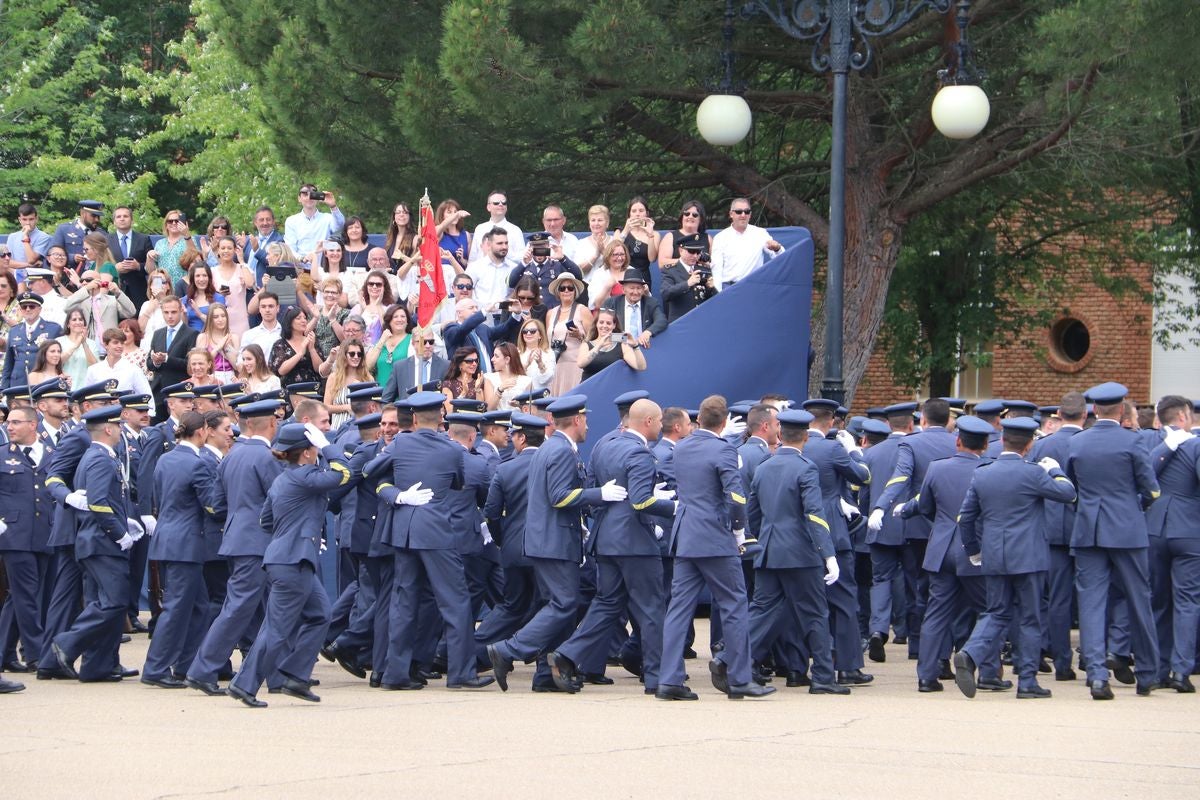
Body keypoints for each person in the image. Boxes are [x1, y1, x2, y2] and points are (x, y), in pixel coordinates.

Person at [487, 394, 627, 692]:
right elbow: (560, 496)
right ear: (577, 420)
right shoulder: (561, 451)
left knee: (557, 606)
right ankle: (509, 650)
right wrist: (599, 494)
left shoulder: (553, 448)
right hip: (554, 541)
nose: (588, 424)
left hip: (547, 540)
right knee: (564, 604)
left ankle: (545, 676)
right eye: (585, 419)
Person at [549, 399, 677, 694]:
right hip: (635, 543)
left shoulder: (603, 445)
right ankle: (659, 677)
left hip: (606, 539)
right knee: (652, 607)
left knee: (606, 604)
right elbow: (642, 501)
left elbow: (595, 493)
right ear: (647, 422)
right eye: (659, 421)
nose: (661, 426)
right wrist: (676, 508)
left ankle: (568, 654)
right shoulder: (641, 454)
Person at [226, 421, 351, 707]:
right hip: (292, 560)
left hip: (289, 557)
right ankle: (245, 684)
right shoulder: (306, 476)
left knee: (320, 614)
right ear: (307, 452)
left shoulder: (284, 478)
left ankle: (295, 674)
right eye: (314, 449)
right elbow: (344, 473)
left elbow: (265, 521)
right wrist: (329, 447)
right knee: (277, 628)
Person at [953, 417, 1078, 700]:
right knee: (1031, 618)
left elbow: (966, 517)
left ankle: (970, 653)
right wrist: (1056, 470)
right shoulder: (1033, 473)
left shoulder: (983, 472)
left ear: (1004, 441)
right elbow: (1068, 494)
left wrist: (974, 550)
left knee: (996, 613)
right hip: (1029, 557)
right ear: (1029, 444)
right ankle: (1028, 680)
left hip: (995, 554)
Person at [659, 395, 773, 701]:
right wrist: (739, 533)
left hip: (686, 536)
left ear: (698, 422)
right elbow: (735, 498)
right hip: (714, 537)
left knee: (678, 609)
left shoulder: (681, 447)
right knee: (735, 604)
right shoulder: (723, 449)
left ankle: (669, 678)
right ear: (724, 423)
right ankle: (739, 677)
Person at [1066, 381, 1163, 700]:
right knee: (1139, 599)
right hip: (1126, 528)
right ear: (1121, 410)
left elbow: (1072, 489)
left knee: (1092, 604)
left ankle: (1096, 675)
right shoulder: (1132, 441)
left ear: (1093, 410)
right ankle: (1148, 673)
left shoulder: (1078, 443)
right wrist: (1135, 508)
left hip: (1089, 529)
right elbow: (1150, 489)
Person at [185, 400, 284, 695]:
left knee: (261, 610)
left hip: (238, 538)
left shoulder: (231, 456)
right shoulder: (265, 457)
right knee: (239, 608)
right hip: (258, 542)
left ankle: (275, 673)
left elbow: (218, 502)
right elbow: (279, 499)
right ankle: (203, 669)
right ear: (271, 424)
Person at [745, 408, 846, 695]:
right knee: (814, 613)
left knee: (762, 612)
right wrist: (828, 555)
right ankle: (824, 677)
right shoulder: (806, 468)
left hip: (768, 550)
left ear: (781, 434)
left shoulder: (765, 467)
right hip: (800, 553)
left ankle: (733, 659)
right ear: (805, 436)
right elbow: (814, 514)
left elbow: (753, 513)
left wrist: (763, 538)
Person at [44, 405, 140, 683]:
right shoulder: (99, 458)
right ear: (108, 429)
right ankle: (66, 642)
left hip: (96, 542)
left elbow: (108, 500)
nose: (122, 431)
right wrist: (119, 533)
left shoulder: (100, 455)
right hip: (101, 543)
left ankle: (98, 665)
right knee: (114, 601)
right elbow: (98, 503)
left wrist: (126, 523)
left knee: (103, 602)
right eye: (119, 427)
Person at [142, 411, 219, 688]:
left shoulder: (167, 458)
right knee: (176, 609)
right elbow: (211, 505)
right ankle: (155, 668)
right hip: (186, 543)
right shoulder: (197, 464)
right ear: (201, 433)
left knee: (198, 607)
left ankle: (185, 665)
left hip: (169, 540)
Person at [1028, 391, 1088, 681]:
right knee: (1091, 596)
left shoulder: (1043, 446)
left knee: (1057, 599)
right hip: (1087, 528)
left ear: (1058, 416)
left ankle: (1062, 661)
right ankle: (1090, 656)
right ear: (1085, 415)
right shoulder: (1090, 442)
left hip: (1051, 529)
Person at [1146, 395, 1200, 691]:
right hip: (1189, 531)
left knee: (1159, 601)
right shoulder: (1196, 445)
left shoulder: (1151, 445)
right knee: (1187, 601)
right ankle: (1181, 670)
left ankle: (1158, 668)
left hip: (1155, 528)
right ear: (1182, 417)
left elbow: (1144, 477)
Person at [0, 405, 56, 675]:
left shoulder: (51, 454)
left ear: (33, 425)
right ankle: (36, 653)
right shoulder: (1, 456)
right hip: (13, 535)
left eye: (16, 422)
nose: (9, 427)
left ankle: (4, 653)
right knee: (26, 595)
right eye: (9, 422)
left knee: (20, 597)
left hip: (44, 533)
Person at [710, 199, 785, 291]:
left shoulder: (760, 233)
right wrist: (718, 294)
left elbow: (781, 258)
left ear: (750, 214)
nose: (743, 215)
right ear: (731, 214)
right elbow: (716, 269)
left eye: (746, 211)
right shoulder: (720, 238)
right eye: (738, 212)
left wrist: (777, 248)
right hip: (729, 288)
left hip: (754, 288)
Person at [147, 297, 200, 413]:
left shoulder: (192, 333)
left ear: (181, 310)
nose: (170, 316)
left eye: (173, 312)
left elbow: (190, 365)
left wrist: (166, 359)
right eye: (166, 312)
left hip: (179, 391)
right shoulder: (158, 334)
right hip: (158, 392)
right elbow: (149, 363)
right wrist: (156, 361)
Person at [3, 292, 63, 390]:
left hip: (43, 383)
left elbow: (60, 358)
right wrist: (4, 388)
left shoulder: (53, 329)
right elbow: (9, 363)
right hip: (17, 384)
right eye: (24, 307)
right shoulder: (14, 331)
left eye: (32, 306)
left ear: (40, 309)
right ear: (20, 310)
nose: (27, 309)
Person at [83, 328, 154, 410]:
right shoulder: (93, 370)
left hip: (126, 417)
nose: (120, 346)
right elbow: (87, 397)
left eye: (122, 343)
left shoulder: (133, 370)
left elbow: (147, 397)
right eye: (115, 343)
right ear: (106, 345)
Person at [544, 274, 591, 396]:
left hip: (576, 365)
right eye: (562, 288)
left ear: (575, 291)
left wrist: (580, 335)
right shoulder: (550, 313)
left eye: (570, 288)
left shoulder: (583, 310)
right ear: (557, 292)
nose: (566, 291)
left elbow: (594, 341)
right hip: (555, 365)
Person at [602, 269, 667, 349]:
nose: (635, 292)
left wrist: (648, 332)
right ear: (623, 289)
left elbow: (662, 320)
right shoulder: (611, 303)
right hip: (618, 349)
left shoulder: (651, 302)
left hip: (644, 348)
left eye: (639, 288)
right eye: (632, 288)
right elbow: (603, 330)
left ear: (643, 289)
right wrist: (626, 339)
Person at [380, 327, 447, 403]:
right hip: (408, 413)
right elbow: (386, 399)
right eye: (423, 342)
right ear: (413, 344)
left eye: (431, 342)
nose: (428, 346)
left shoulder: (445, 366)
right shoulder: (400, 367)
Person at [660, 233, 716, 322]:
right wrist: (687, 283)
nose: (695, 256)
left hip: (701, 321)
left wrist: (711, 288)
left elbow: (712, 300)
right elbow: (666, 294)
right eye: (691, 251)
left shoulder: (703, 269)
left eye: (698, 252)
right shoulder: (671, 270)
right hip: (681, 323)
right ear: (681, 250)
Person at [577, 308, 646, 380]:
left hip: (612, 388)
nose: (604, 326)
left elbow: (641, 367)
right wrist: (599, 346)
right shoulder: (587, 344)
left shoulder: (622, 344)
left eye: (608, 323)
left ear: (614, 325)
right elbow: (581, 364)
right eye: (601, 322)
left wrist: (635, 346)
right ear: (596, 324)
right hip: (590, 388)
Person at [106, 206, 153, 309]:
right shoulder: (106, 240)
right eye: (118, 216)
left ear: (131, 220)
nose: (122, 219)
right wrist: (114, 269)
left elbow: (153, 266)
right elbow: (100, 265)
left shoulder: (144, 239)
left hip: (138, 291)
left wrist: (138, 266)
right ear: (114, 222)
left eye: (125, 216)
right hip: (113, 291)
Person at [284, 184, 345, 261]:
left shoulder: (327, 218)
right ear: (299, 198)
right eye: (305, 194)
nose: (309, 197)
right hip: (301, 268)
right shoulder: (291, 221)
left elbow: (340, 225)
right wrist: (303, 259)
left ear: (317, 198)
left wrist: (333, 206)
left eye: (313, 194)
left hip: (323, 268)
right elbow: (290, 248)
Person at [269, 307, 323, 392]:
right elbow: (281, 370)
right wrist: (300, 354)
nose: (303, 321)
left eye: (305, 318)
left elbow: (319, 369)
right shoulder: (280, 344)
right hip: (290, 391)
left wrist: (312, 349)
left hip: (313, 389)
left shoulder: (312, 341)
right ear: (289, 322)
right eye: (298, 318)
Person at [211, 236, 255, 336]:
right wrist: (218, 294)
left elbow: (250, 283)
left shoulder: (242, 268)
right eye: (223, 248)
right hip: (219, 320)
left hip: (240, 320)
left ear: (235, 250)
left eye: (229, 248)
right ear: (218, 250)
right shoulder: (212, 271)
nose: (226, 251)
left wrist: (242, 261)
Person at [467, 190, 524, 267]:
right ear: (488, 207)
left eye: (504, 203)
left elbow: (522, 259)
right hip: (481, 274)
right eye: (496, 203)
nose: (501, 204)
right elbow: (472, 259)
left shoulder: (515, 230)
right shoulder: (480, 229)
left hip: (506, 273)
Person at [323, 338, 371, 430]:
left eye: (359, 354)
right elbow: (325, 407)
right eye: (352, 354)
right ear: (344, 356)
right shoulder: (334, 377)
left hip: (360, 429)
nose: (356, 357)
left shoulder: (367, 378)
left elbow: (373, 406)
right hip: (338, 428)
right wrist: (346, 407)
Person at [657, 200, 712, 270]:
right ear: (682, 217)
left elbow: (715, 264)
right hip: (678, 279)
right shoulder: (670, 237)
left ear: (700, 219)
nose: (690, 216)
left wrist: (704, 262)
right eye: (687, 214)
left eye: (695, 215)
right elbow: (662, 263)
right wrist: (684, 261)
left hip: (702, 279)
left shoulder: (708, 238)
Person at [368, 304, 412, 391]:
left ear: (407, 321)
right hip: (381, 394)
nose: (399, 319)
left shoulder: (412, 339)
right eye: (395, 317)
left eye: (403, 316)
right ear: (389, 321)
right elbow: (368, 366)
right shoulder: (381, 341)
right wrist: (382, 340)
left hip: (403, 393)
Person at [148, 211, 199, 285]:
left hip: (183, 285)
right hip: (163, 286)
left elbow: (196, 258)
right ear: (166, 225)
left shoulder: (189, 239)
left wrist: (187, 235)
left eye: (177, 221)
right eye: (170, 221)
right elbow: (151, 271)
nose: (174, 223)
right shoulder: (159, 243)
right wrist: (149, 257)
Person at [617, 197, 660, 284]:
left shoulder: (655, 234)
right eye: (634, 211)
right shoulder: (619, 231)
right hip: (621, 277)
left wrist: (650, 235)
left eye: (641, 211)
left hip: (642, 279)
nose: (637, 214)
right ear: (629, 214)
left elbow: (652, 259)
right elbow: (612, 251)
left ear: (646, 213)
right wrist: (625, 230)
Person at [50, 200, 106, 266]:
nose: (97, 220)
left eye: (98, 216)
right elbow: (52, 254)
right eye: (93, 216)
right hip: (71, 273)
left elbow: (107, 256)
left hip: (95, 274)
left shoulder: (102, 234)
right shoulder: (64, 229)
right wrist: (72, 258)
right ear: (83, 213)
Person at [195, 304, 240, 383]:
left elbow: (237, 366)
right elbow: (200, 364)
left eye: (223, 316)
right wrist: (217, 348)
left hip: (230, 379)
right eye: (216, 317)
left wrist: (226, 348)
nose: (220, 319)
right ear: (210, 319)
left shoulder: (234, 337)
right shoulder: (203, 337)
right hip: (209, 379)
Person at [482, 342, 533, 412]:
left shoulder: (526, 381)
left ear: (507, 360)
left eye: (496, 356)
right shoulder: (490, 378)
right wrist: (500, 389)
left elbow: (532, 411)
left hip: (519, 420)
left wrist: (520, 405)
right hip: (497, 421)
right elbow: (488, 409)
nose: (492, 359)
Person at [56, 308, 100, 388]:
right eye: (74, 319)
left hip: (86, 388)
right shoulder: (59, 341)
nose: (78, 322)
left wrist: (84, 344)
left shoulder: (92, 344)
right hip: (64, 387)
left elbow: (95, 367)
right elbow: (57, 362)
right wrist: (76, 344)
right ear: (68, 324)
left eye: (80, 319)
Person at [348, 270, 393, 347]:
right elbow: (349, 331)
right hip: (358, 350)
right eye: (371, 284)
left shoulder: (390, 308)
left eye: (378, 284)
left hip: (381, 349)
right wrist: (362, 310)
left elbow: (389, 331)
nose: (374, 287)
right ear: (366, 286)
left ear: (384, 287)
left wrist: (378, 306)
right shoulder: (358, 307)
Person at [588, 239, 635, 311]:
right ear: (608, 256)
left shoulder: (632, 271)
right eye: (615, 254)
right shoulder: (599, 274)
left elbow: (645, 299)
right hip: (606, 316)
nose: (619, 258)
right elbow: (596, 304)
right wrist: (607, 287)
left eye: (622, 254)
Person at [7, 202, 52, 272]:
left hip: (34, 279)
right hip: (15, 277)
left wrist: (25, 236)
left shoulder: (44, 237)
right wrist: (28, 265)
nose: (28, 223)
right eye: (24, 219)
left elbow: (31, 259)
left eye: (31, 219)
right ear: (20, 220)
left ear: (36, 219)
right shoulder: (12, 237)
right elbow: (7, 262)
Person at [574, 204, 614, 281]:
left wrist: (603, 252)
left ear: (607, 223)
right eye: (593, 220)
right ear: (589, 223)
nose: (596, 223)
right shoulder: (581, 244)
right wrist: (595, 256)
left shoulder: (614, 242)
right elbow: (577, 271)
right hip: (588, 287)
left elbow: (620, 267)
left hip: (610, 287)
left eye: (600, 220)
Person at [136, 268, 173, 349]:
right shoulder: (145, 305)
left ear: (168, 286)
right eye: (156, 282)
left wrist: (163, 300)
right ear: (150, 286)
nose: (159, 285)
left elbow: (174, 326)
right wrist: (149, 310)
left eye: (163, 282)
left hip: (165, 349)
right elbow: (139, 330)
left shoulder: (174, 304)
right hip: (146, 349)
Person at [516, 318, 555, 392]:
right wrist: (526, 365)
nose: (528, 333)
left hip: (540, 397)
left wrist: (540, 364)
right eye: (525, 331)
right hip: (521, 396)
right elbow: (514, 378)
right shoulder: (516, 352)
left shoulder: (549, 353)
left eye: (532, 331)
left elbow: (547, 380)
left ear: (540, 335)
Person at [241, 291, 284, 358]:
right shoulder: (248, 335)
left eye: (271, 306)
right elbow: (241, 362)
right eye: (263, 307)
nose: (267, 310)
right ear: (259, 309)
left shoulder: (287, 333)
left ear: (278, 308)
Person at [183, 262, 224, 332]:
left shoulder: (218, 298)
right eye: (198, 276)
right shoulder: (186, 299)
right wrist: (183, 314)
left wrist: (200, 314)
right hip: (191, 340)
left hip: (212, 339)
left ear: (209, 278)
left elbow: (221, 324)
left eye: (204, 275)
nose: (201, 279)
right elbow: (183, 326)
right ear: (193, 279)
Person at [435, 199, 472, 274]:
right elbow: (440, 227)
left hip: (460, 278)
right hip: (443, 275)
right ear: (442, 215)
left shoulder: (466, 235)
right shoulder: (440, 233)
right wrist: (456, 215)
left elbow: (470, 264)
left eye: (455, 212)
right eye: (449, 212)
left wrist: (462, 260)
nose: (454, 215)